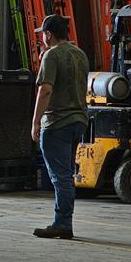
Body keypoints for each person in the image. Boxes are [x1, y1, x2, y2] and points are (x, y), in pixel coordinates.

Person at [31, 14, 89, 240]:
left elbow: (45, 90)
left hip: (57, 122)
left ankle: (63, 223)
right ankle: (63, 221)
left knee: (60, 176)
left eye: (43, 35)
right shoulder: (80, 54)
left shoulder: (51, 55)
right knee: (66, 174)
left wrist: (36, 121)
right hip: (79, 120)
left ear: (48, 34)